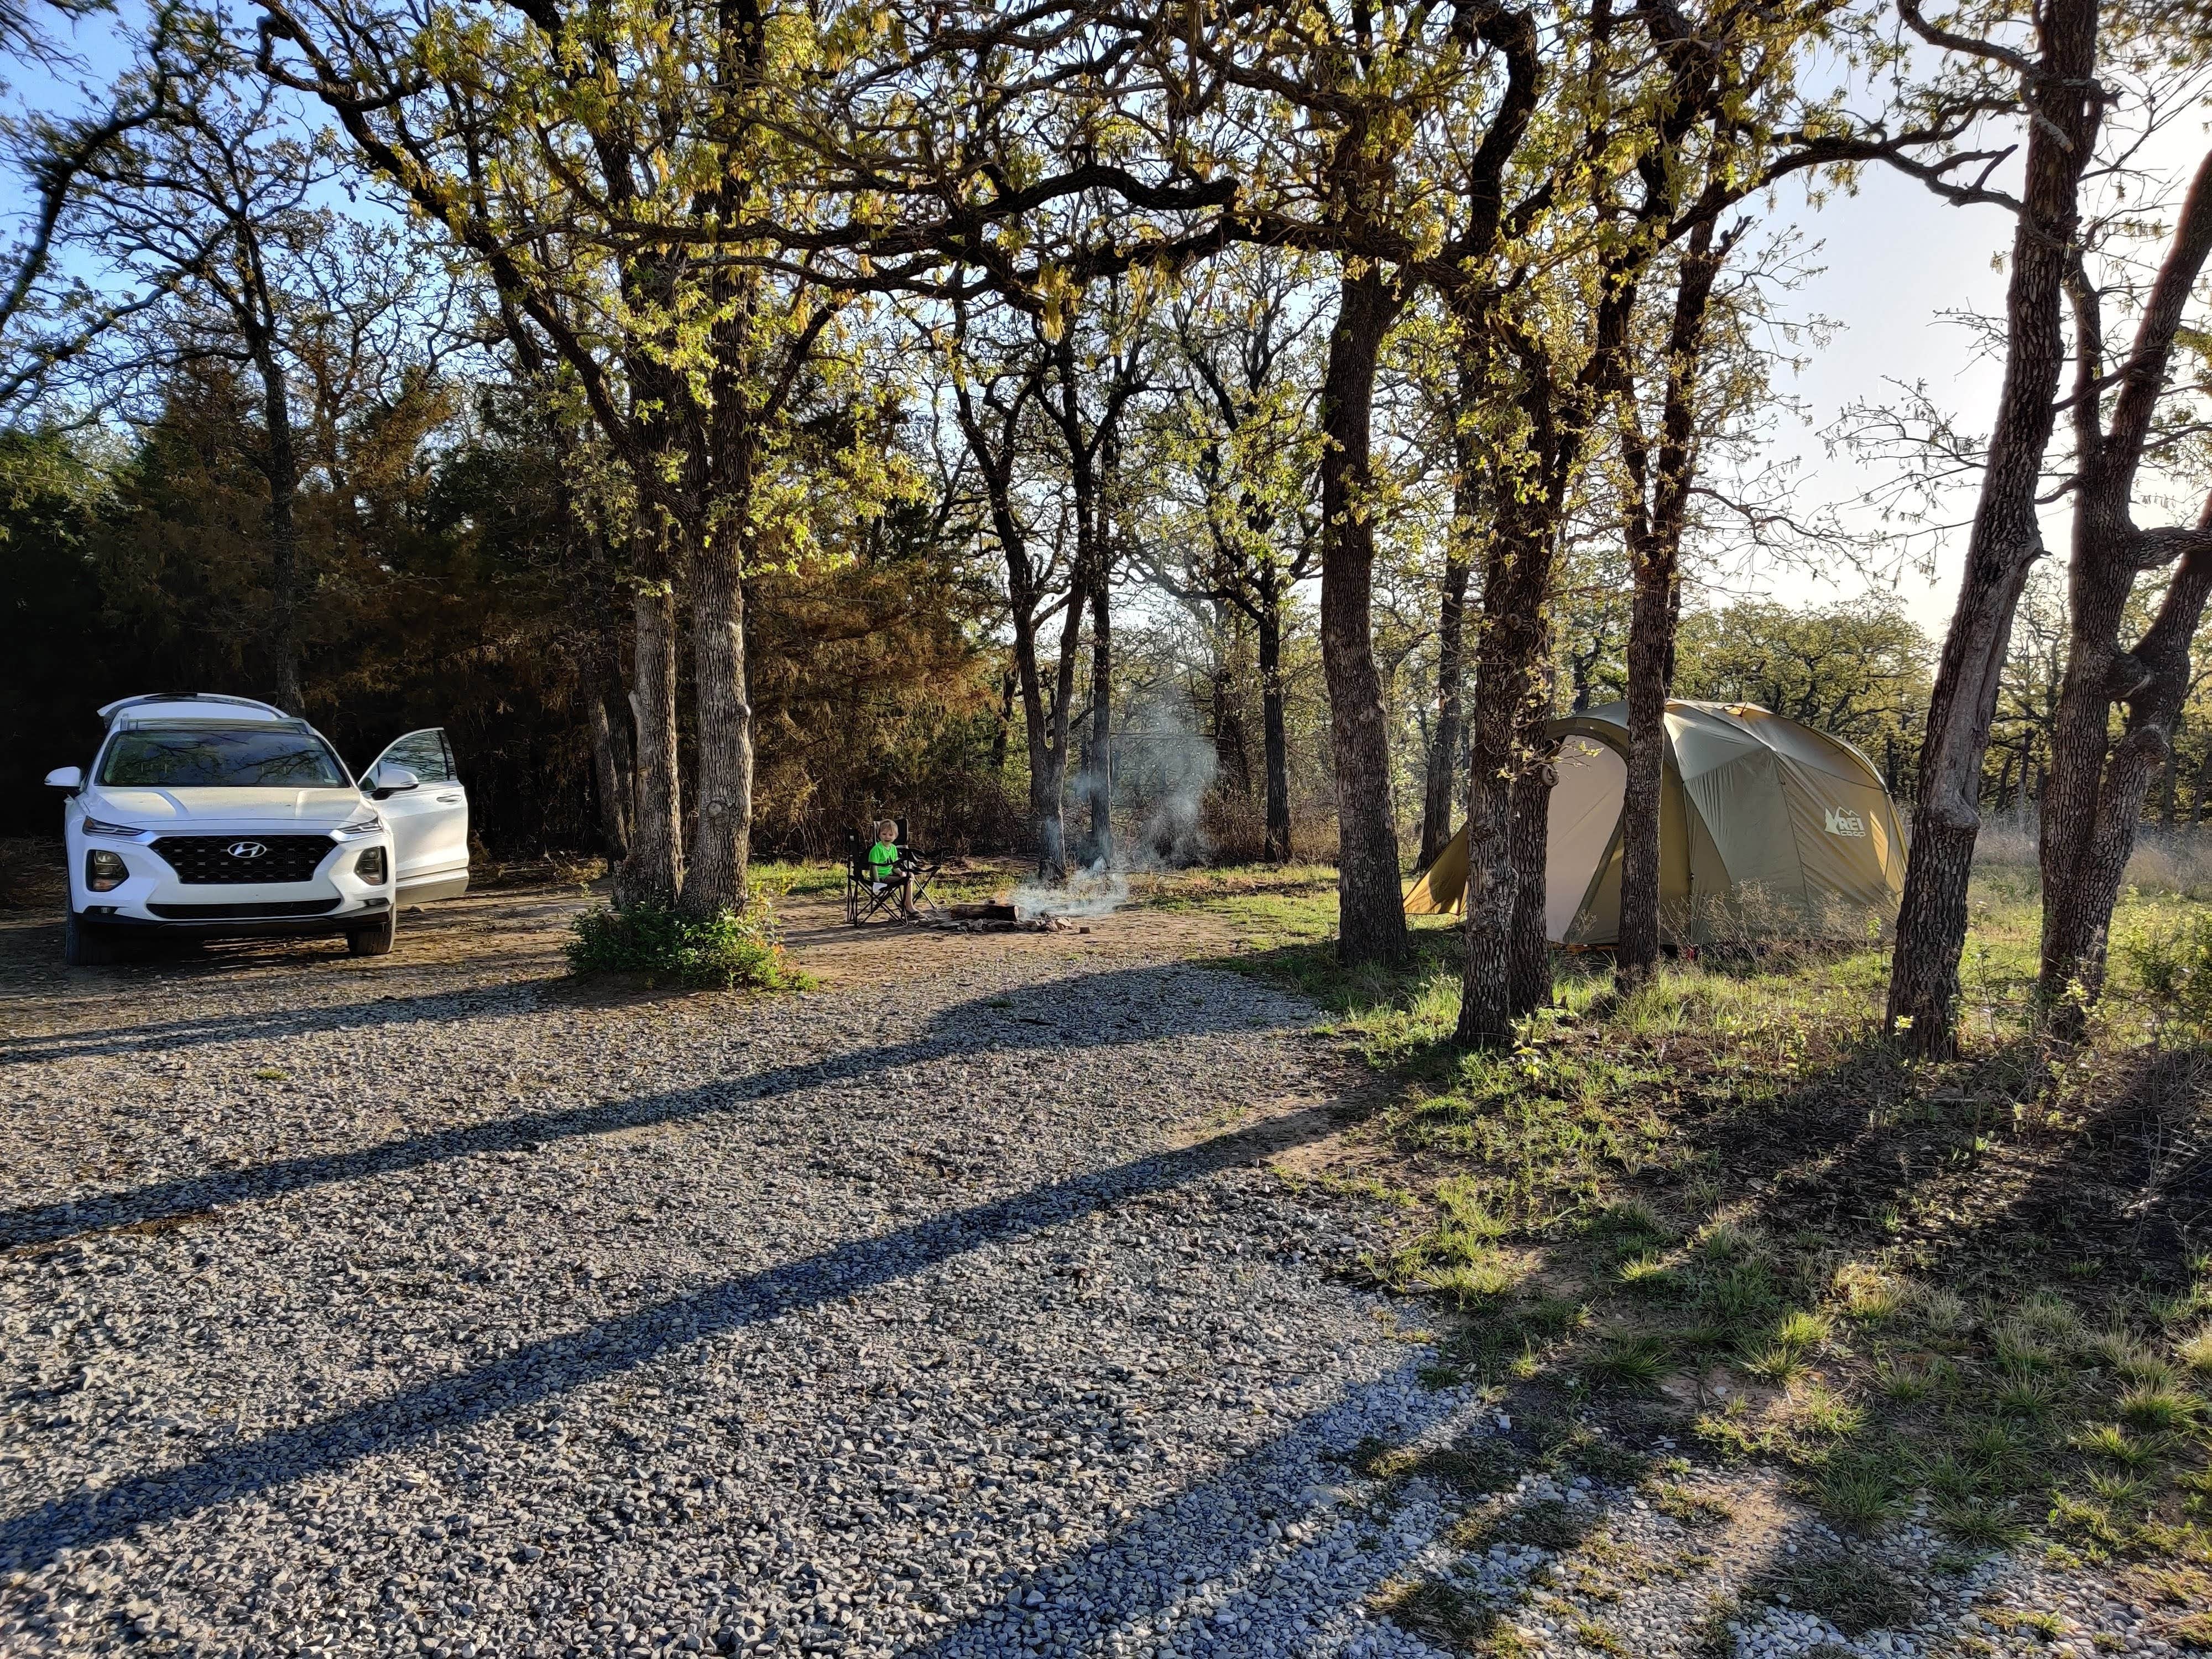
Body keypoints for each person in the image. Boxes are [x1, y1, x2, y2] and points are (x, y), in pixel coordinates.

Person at [865, 818, 915, 917]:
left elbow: (894, 866)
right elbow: (873, 868)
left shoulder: (893, 848)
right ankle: (909, 906)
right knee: (907, 881)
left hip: (890, 873)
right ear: (879, 835)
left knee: (910, 875)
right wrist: (877, 883)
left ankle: (905, 902)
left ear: (895, 836)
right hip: (882, 877)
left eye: (891, 835)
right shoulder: (877, 849)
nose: (887, 837)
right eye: (884, 834)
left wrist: (900, 873)